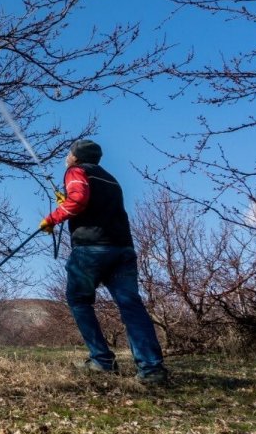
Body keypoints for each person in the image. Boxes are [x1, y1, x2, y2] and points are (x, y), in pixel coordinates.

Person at [39, 139, 169, 386]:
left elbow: (78, 201)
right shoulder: (110, 178)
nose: (66, 157)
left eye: (69, 153)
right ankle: (152, 369)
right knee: (131, 305)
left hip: (91, 249)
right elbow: (85, 202)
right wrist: (66, 203)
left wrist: (53, 218)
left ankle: (101, 360)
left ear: (76, 157)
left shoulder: (75, 171)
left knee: (79, 300)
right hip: (123, 248)